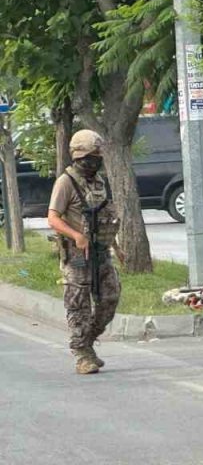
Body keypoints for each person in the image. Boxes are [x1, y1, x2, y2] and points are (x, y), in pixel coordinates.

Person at [47, 130, 121, 375]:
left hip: (101, 252)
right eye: (91, 155)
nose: (95, 160)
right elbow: (53, 218)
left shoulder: (99, 182)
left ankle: (87, 342)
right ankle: (82, 355)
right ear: (79, 157)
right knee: (79, 306)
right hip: (77, 256)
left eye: (97, 155)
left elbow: (105, 215)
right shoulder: (65, 182)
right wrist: (76, 235)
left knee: (110, 297)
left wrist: (117, 246)